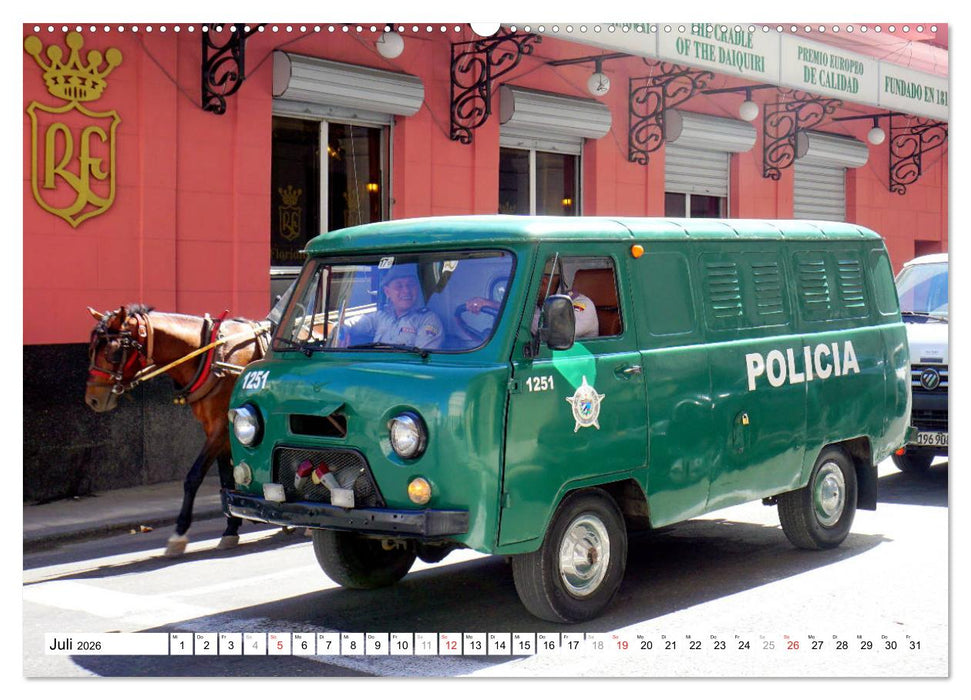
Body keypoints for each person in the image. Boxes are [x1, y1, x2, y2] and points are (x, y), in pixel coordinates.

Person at [465, 273, 599, 338]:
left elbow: (555, 331)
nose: (524, 290)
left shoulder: (582, 304)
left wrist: (494, 305)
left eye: (527, 284)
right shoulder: (537, 305)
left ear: (544, 282)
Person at [342, 266, 444, 349]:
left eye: (410, 284)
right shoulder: (381, 316)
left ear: (417, 288)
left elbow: (422, 361)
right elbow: (353, 323)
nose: (406, 291)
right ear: (387, 292)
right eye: (399, 286)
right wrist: (341, 330)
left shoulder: (427, 320)